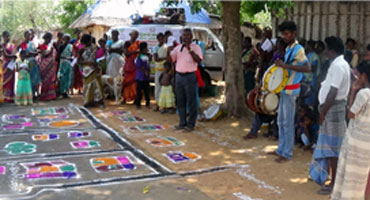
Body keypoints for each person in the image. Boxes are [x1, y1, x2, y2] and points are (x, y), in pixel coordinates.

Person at [309, 36, 351, 195]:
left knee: (333, 149)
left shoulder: (338, 66)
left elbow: (333, 92)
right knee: (331, 148)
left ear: (332, 50)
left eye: (327, 49)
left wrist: (323, 112)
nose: (325, 52)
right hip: (332, 109)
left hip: (332, 111)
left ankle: (334, 183)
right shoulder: (339, 64)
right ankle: (330, 179)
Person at [270, 21, 310, 163]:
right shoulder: (288, 49)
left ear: (294, 33)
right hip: (284, 89)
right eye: (283, 34)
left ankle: (287, 153)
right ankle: (281, 148)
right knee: (281, 121)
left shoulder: (298, 49)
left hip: (292, 91)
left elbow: (307, 68)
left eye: (287, 34)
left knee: (287, 122)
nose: (285, 37)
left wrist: (285, 65)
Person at [331, 61, 370, 200]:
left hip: (356, 140)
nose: (357, 78)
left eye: (358, 75)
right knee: (361, 176)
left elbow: (351, 114)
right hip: (367, 142)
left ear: (364, 76)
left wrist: (353, 91)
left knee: (349, 174)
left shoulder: (364, 93)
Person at [170, 28, 203, 132]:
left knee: (191, 101)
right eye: (184, 35)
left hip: (190, 76)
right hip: (179, 76)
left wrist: (189, 49)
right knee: (180, 100)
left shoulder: (196, 47)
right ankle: (182, 122)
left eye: (188, 35)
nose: (186, 37)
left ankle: (191, 124)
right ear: (181, 37)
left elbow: (198, 60)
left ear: (191, 37)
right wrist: (169, 50)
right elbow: (171, 60)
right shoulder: (178, 48)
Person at [78, 34, 104, 108]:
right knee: (87, 86)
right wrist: (87, 63)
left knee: (96, 85)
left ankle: (97, 100)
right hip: (86, 70)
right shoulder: (81, 49)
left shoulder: (94, 47)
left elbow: (95, 58)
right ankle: (88, 101)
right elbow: (79, 61)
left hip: (93, 68)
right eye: (89, 40)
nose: (90, 41)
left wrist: (92, 63)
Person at [37, 32, 57, 101]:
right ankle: (44, 95)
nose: (50, 40)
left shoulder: (51, 46)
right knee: (45, 80)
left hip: (51, 66)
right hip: (44, 66)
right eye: (49, 39)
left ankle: (51, 95)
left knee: (51, 80)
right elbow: (43, 54)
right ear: (47, 39)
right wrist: (50, 51)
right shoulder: (42, 46)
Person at [122, 30, 140, 104]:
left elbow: (142, 50)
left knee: (135, 82)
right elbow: (126, 53)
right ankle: (125, 98)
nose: (135, 36)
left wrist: (136, 52)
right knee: (126, 81)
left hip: (135, 64)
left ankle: (135, 97)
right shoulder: (126, 43)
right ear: (130, 35)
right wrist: (136, 51)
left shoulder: (138, 43)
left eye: (137, 34)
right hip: (128, 64)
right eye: (134, 34)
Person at [153, 33, 168, 111]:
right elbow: (156, 59)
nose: (161, 40)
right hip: (158, 69)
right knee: (158, 87)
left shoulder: (166, 47)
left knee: (165, 87)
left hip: (166, 70)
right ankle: (157, 104)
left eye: (163, 38)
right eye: (160, 38)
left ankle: (164, 105)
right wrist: (165, 58)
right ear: (158, 39)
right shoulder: (155, 48)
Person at [134, 42, 151, 109]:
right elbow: (139, 66)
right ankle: (138, 104)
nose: (147, 49)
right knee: (139, 91)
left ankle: (148, 103)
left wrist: (148, 71)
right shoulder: (139, 57)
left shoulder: (146, 56)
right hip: (140, 76)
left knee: (147, 91)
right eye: (146, 48)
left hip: (146, 77)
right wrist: (145, 72)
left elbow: (148, 64)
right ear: (143, 49)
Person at [2, 31, 16, 103]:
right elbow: (5, 55)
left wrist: (13, 57)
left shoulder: (12, 45)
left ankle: (11, 97)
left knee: (11, 81)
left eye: (9, 36)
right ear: (3, 37)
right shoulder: (2, 46)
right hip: (5, 65)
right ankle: (4, 97)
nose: (8, 38)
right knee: (5, 81)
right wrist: (12, 56)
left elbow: (14, 53)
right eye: (6, 36)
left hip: (12, 64)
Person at [57, 34, 73, 98]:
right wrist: (66, 57)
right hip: (62, 63)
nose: (65, 40)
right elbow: (58, 56)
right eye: (64, 39)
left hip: (69, 64)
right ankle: (61, 91)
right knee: (61, 77)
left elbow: (72, 54)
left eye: (67, 39)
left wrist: (70, 58)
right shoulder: (61, 46)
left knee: (68, 78)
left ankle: (66, 91)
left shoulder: (71, 46)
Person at [72, 29, 83, 94]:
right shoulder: (75, 43)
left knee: (81, 74)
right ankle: (75, 88)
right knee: (76, 74)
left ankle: (80, 89)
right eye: (77, 34)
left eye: (80, 34)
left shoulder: (82, 43)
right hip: (76, 60)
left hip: (82, 60)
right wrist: (76, 57)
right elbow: (74, 52)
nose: (79, 35)